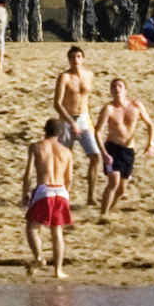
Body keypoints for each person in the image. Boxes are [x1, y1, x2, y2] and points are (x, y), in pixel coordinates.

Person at [95, 77, 154, 218]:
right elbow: (97, 131)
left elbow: (150, 125)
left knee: (121, 190)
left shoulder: (136, 106)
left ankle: (111, 207)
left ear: (125, 90)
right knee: (113, 182)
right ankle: (103, 215)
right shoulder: (108, 109)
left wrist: (151, 143)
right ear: (110, 91)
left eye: (119, 86)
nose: (116, 89)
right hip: (112, 149)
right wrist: (103, 153)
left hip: (129, 151)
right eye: (113, 87)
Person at [22, 117, 73, 279]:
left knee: (32, 227)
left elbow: (28, 174)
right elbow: (69, 178)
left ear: (45, 130)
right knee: (57, 231)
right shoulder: (67, 152)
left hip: (44, 190)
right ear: (61, 133)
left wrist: (25, 193)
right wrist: (67, 194)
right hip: (61, 191)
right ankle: (58, 270)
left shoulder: (36, 147)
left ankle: (38, 257)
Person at [53, 46, 100, 205]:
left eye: (79, 56)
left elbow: (86, 100)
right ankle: (62, 194)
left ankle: (91, 196)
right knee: (64, 159)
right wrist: (71, 122)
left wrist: (89, 121)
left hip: (84, 119)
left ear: (83, 58)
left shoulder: (89, 75)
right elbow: (57, 104)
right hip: (67, 120)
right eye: (72, 57)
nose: (76, 60)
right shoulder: (64, 77)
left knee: (95, 156)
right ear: (69, 60)